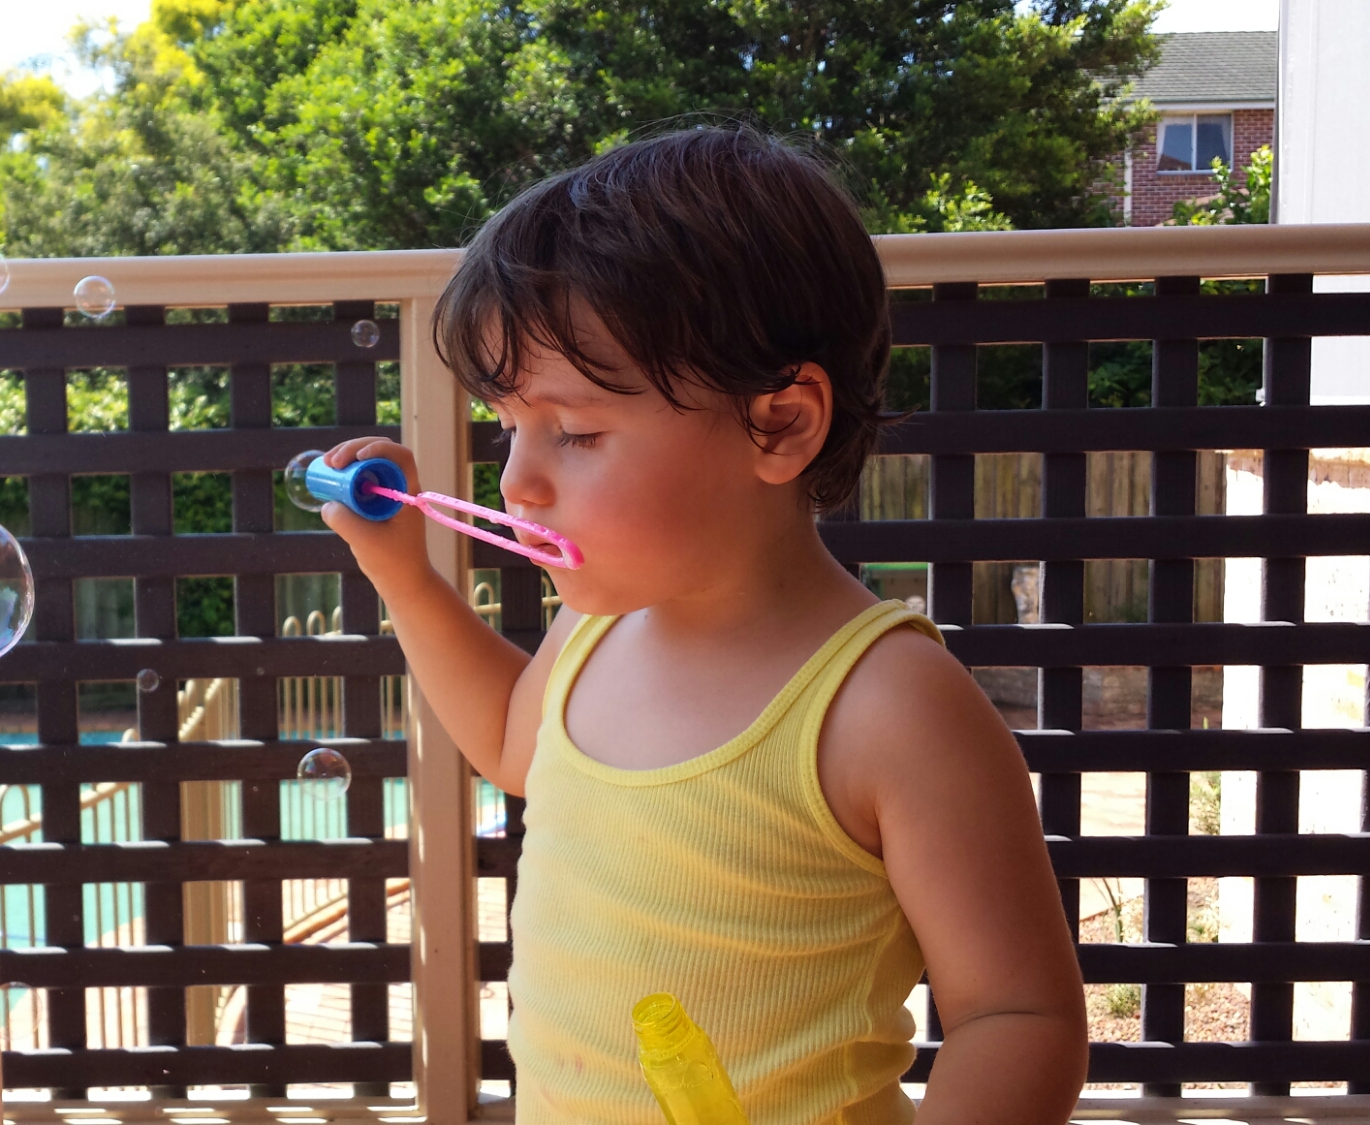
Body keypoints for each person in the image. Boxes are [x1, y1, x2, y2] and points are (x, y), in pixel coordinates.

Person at [317, 127, 1086, 1125]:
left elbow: (1017, 1016)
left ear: (779, 424)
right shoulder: (594, 629)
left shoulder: (886, 706)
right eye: (508, 426)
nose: (516, 481)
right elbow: (510, 741)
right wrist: (402, 575)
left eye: (576, 432)